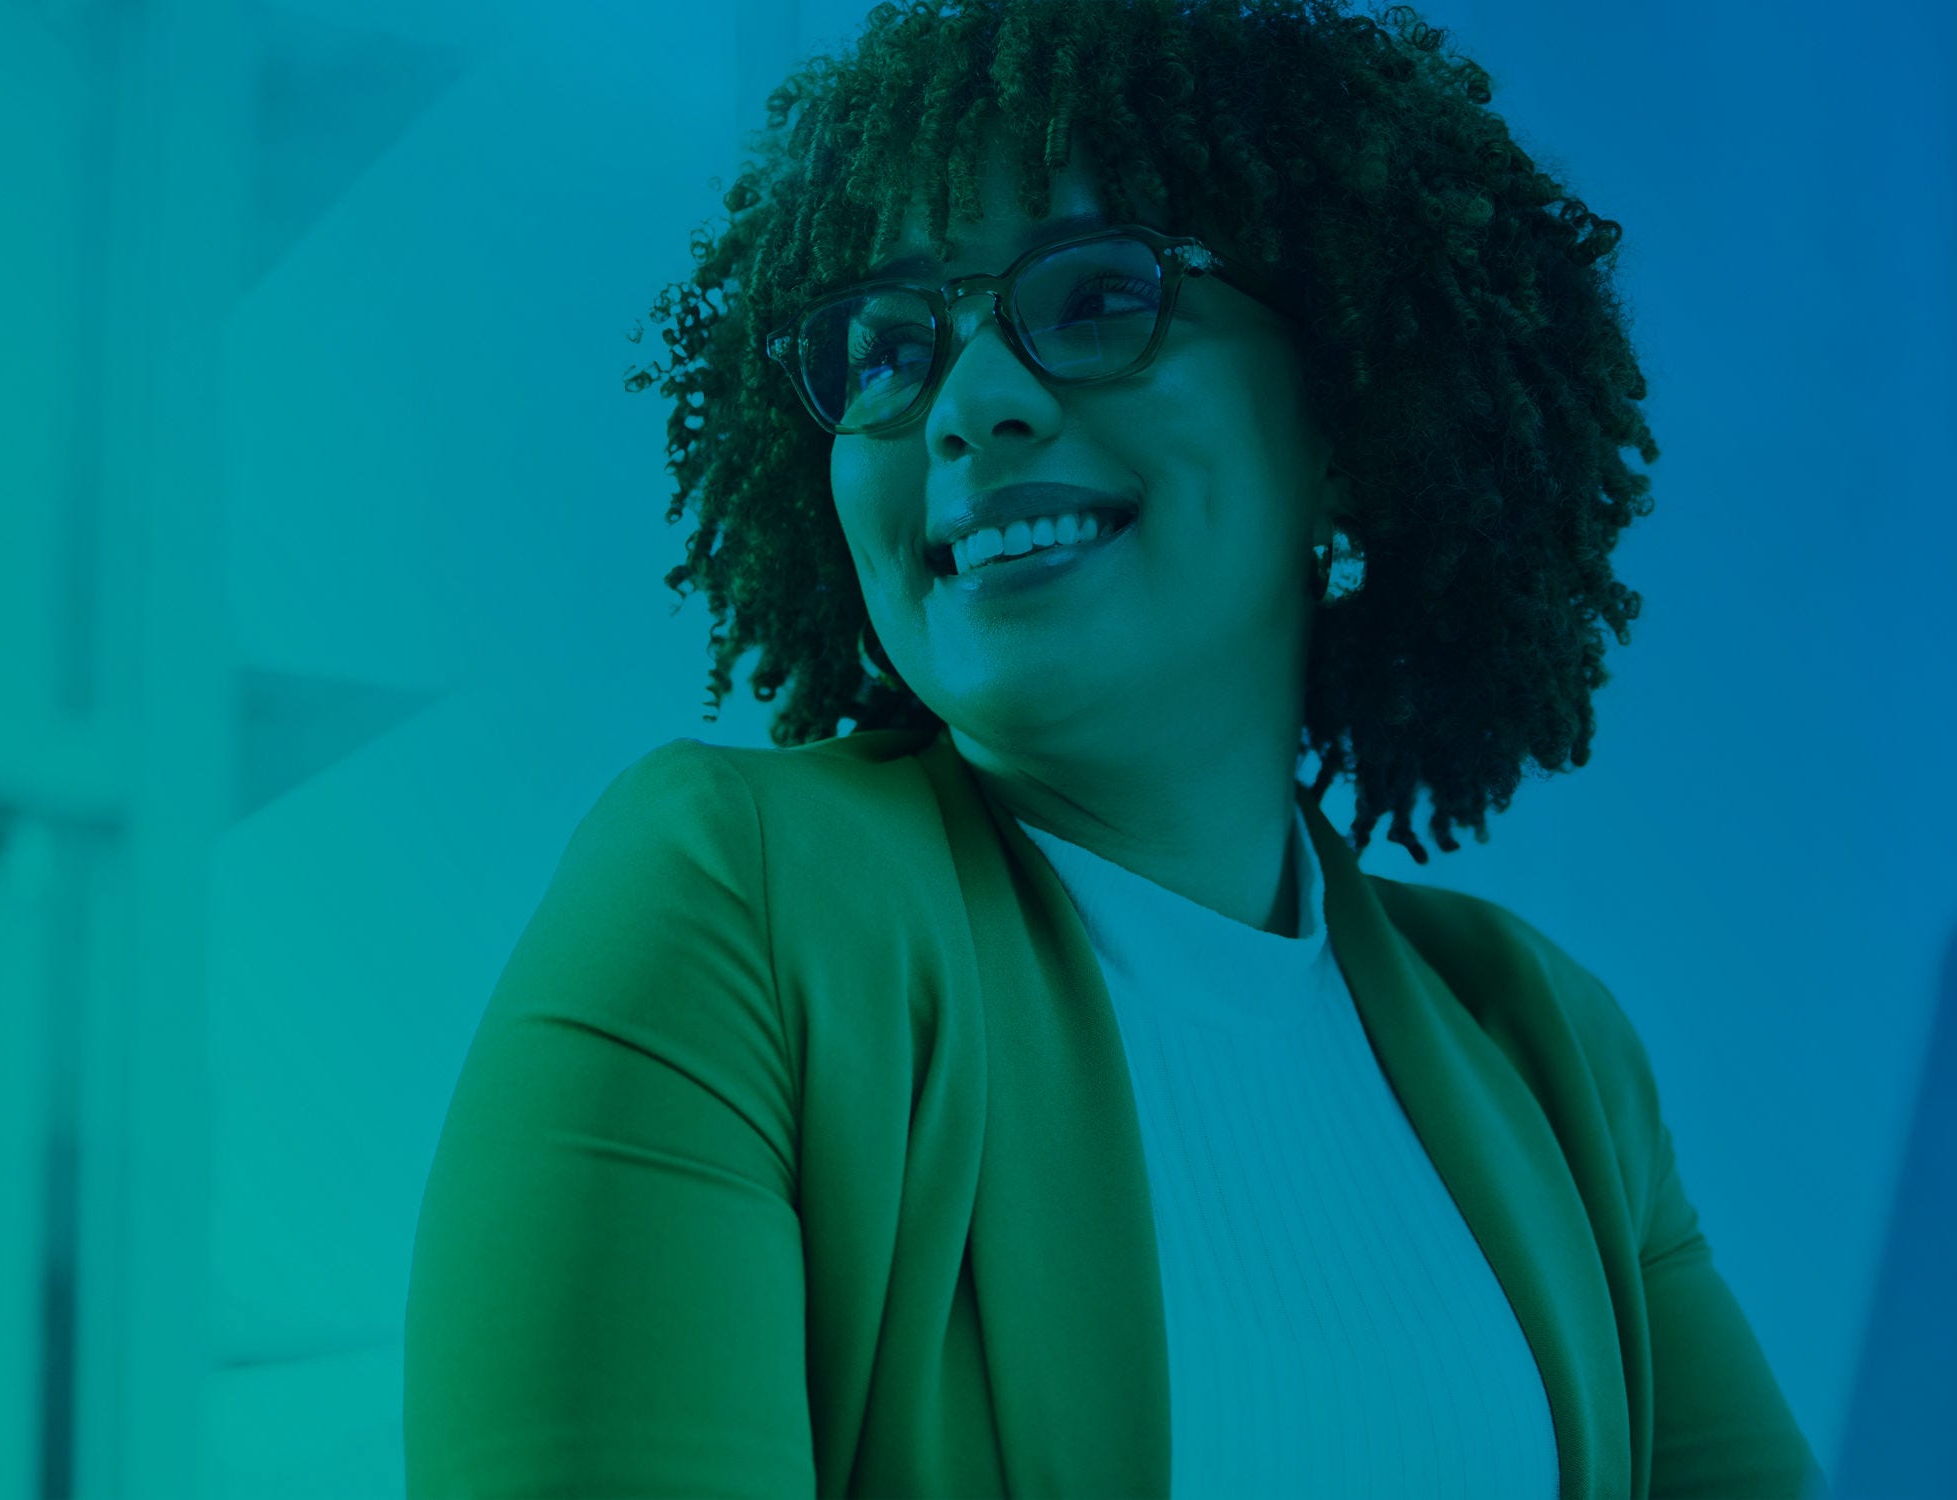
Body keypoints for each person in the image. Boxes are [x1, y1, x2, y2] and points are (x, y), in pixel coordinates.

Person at [404, 3, 1830, 1496]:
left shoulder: (1546, 1051)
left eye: (1093, 301)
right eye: (893, 344)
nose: (968, 405)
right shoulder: (732, 905)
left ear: (1346, 407)